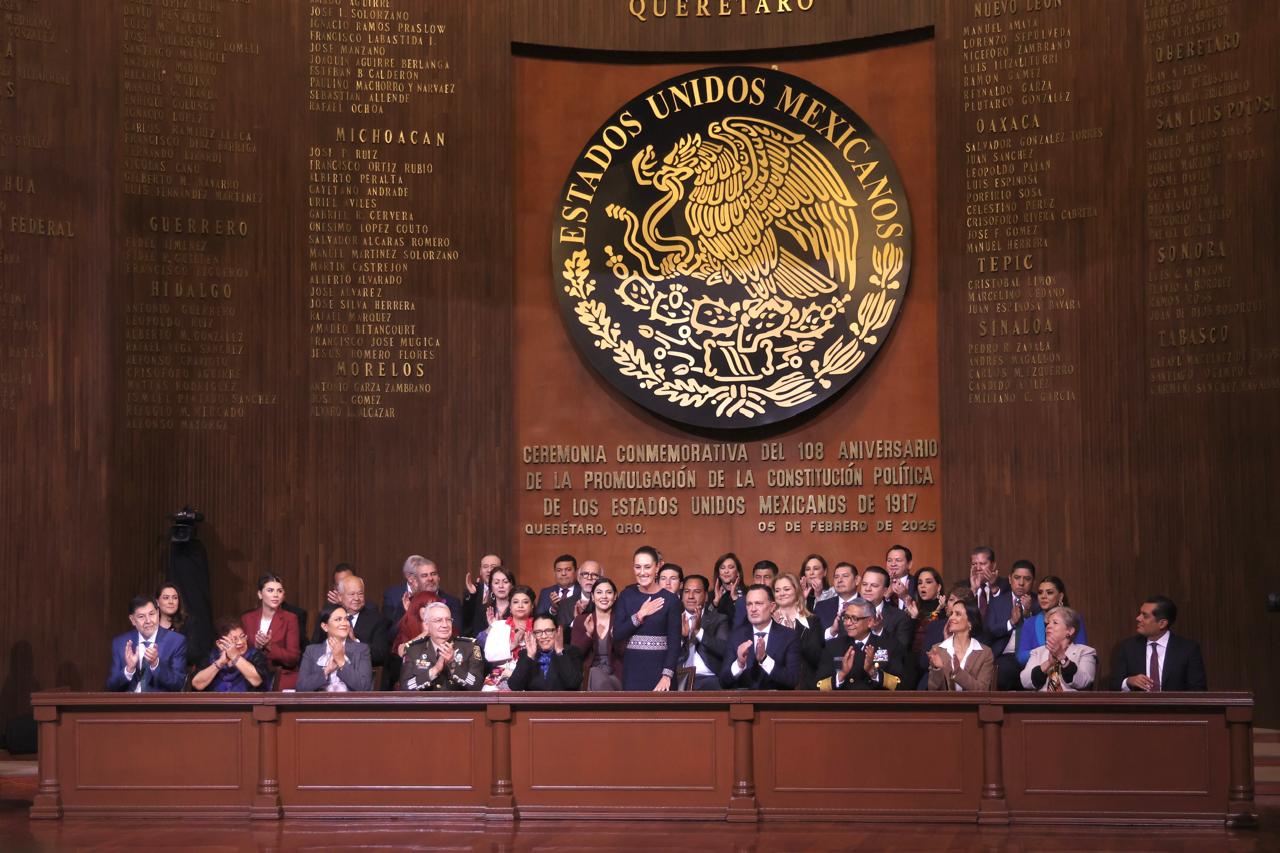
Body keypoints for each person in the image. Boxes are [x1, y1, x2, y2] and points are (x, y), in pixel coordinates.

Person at [614, 545, 682, 691]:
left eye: (647, 567)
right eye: (638, 567)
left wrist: (667, 676)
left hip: (661, 674)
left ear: (657, 568)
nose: (642, 572)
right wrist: (639, 615)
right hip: (632, 671)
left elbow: (674, 644)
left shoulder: (671, 600)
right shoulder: (626, 595)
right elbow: (617, 633)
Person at [1111, 596, 1207, 691]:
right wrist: (1128, 681)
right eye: (1139, 613)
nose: (1138, 618)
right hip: (1139, 701)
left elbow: (1198, 689)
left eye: (1145, 616)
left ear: (1162, 623)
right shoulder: (1128, 647)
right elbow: (1114, 685)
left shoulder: (1188, 649)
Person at [719, 585, 800, 690]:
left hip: (776, 698)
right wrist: (739, 663)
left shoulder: (789, 636)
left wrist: (764, 659)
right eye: (749, 604)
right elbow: (723, 682)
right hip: (744, 698)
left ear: (772, 607)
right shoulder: (736, 636)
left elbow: (792, 680)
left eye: (758, 603)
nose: (753, 609)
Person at [816, 598, 905, 690]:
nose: (848, 623)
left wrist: (873, 672)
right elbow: (819, 686)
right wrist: (841, 675)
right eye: (846, 617)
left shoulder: (889, 645)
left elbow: (901, 685)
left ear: (870, 621)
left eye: (854, 618)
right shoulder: (833, 646)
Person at [106, 596, 188, 692]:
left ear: (158, 613)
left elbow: (178, 684)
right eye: (141, 617)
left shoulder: (176, 641)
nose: (148, 621)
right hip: (129, 700)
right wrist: (128, 670)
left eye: (152, 614)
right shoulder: (120, 642)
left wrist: (155, 664)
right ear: (133, 620)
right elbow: (111, 686)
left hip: (159, 700)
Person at [398, 602, 484, 691]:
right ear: (427, 625)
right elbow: (405, 687)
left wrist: (452, 665)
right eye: (438, 620)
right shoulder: (413, 649)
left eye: (448, 620)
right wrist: (434, 670)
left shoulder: (469, 647)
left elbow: (477, 685)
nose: (445, 625)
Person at [311, 574, 390, 669]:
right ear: (340, 597)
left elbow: (380, 655)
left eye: (360, 594)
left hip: (359, 672)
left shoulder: (377, 620)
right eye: (351, 594)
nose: (356, 598)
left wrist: (355, 642)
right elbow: (314, 648)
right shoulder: (328, 616)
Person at [241, 573, 301, 690]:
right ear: (260, 594)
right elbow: (242, 652)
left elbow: (293, 657)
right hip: (252, 675)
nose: (275, 595)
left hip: (280, 676)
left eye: (279, 591)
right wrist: (256, 648)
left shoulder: (290, 619)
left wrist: (269, 647)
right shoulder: (247, 618)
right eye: (270, 590)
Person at [297, 605, 373, 692]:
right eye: (338, 619)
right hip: (320, 700)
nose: (344, 623)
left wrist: (341, 662)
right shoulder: (311, 651)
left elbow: (365, 687)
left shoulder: (362, 650)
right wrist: (326, 671)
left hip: (349, 700)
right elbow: (301, 688)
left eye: (346, 619)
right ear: (325, 626)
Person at [1015, 576, 1086, 667]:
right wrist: (1050, 651)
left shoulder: (1075, 619)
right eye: (1040, 592)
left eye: (1049, 592)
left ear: (1060, 596)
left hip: (1068, 670)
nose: (1043, 596)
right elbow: (1021, 657)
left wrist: (1059, 653)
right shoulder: (1030, 623)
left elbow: (1081, 651)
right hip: (1039, 672)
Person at [1021, 607, 1096, 691]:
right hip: (1043, 699)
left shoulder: (1085, 652)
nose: (1048, 626)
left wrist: (1062, 657)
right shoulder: (1037, 652)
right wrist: (1048, 663)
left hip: (1070, 699)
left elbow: (1084, 681)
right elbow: (1025, 681)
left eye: (1055, 622)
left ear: (1070, 631)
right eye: (1048, 623)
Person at [771, 572, 825, 690]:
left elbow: (817, 658)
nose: (781, 593)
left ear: (796, 591)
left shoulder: (812, 621)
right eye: (777, 590)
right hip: (775, 688)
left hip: (806, 688)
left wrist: (794, 636)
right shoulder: (768, 622)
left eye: (786, 589)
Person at [927, 599, 994, 692]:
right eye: (951, 614)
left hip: (974, 701)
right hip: (945, 702)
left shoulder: (985, 653)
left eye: (957, 614)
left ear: (970, 622)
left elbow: (983, 690)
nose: (951, 618)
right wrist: (937, 669)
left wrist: (959, 673)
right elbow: (932, 690)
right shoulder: (937, 650)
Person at [675, 574, 728, 690]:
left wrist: (699, 632)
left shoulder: (718, 619)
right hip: (679, 678)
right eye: (687, 591)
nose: (690, 596)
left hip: (709, 679)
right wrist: (683, 638)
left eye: (697, 592)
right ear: (681, 596)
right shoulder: (674, 620)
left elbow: (724, 649)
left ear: (706, 596)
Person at [571, 577, 624, 691]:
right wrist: (588, 635)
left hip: (615, 676)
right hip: (589, 676)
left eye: (608, 592)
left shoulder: (621, 621)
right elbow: (575, 655)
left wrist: (616, 637)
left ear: (615, 596)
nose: (604, 596)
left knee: (598, 678)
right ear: (593, 597)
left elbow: (626, 655)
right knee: (595, 673)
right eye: (599, 592)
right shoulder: (581, 620)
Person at [191, 617, 268, 692]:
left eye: (242, 637)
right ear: (220, 644)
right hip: (216, 700)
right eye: (234, 639)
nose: (240, 642)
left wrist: (235, 657)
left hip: (247, 700)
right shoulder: (211, 657)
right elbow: (197, 684)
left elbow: (257, 681)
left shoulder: (255, 655)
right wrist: (220, 662)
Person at [509, 615, 584, 691]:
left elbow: (574, 683)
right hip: (534, 698)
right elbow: (514, 686)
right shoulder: (526, 654)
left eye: (548, 631)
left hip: (562, 698)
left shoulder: (572, 652)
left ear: (557, 631)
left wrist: (559, 652)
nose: (544, 636)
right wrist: (530, 656)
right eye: (538, 632)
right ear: (533, 634)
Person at [995, 559, 1039, 689]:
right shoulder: (997, 602)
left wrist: (1028, 613)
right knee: (1004, 672)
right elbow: (990, 630)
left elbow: (1041, 634)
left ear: (1033, 582)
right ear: (1010, 579)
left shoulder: (1039, 603)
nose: (1021, 583)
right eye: (1017, 577)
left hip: (1033, 655)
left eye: (1027, 579)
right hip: (1006, 654)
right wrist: (1011, 622)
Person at [482, 585, 536, 690]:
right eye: (515, 602)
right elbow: (489, 655)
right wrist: (513, 644)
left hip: (527, 675)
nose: (520, 606)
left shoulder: (538, 626)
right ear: (510, 607)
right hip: (499, 676)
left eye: (525, 602)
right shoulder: (498, 626)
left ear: (532, 606)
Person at [860, 565, 915, 652]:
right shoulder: (847, 614)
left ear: (885, 591)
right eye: (864, 584)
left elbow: (901, 651)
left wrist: (879, 631)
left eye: (874, 585)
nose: (867, 589)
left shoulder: (900, 617)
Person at [815, 562, 861, 641]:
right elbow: (813, 638)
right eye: (836, 577)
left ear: (857, 580)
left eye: (845, 576)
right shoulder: (821, 607)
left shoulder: (867, 605)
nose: (839, 580)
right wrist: (831, 632)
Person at [462, 553, 502, 637]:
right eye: (485, 566)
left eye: (493, 567)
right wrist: (472, 595)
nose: (489, 570)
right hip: (476, 640)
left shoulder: (508, 591)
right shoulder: (474, 590)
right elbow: (466, 619)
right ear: (480, 571)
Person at [474, 567, 516, 637]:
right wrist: (491, 627)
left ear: (512, 585)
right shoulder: (483, 610)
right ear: (491, 586)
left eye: (505, 582)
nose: (501, 586)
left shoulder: (519, 608)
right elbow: (477, 640)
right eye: (496, 582)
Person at [536, 554, 580, 619]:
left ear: (576, 571)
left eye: (568, 570)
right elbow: (538, 619)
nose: (563, 573)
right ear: (555, 573)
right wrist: (553, 609)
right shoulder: (545, 593)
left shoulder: (584, 591)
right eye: (559, 570)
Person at [382, 555, 423, 625]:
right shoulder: (392, 595)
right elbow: (389, 625)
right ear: (409, 578)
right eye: (423, 575)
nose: (429, 579)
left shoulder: (436, 594)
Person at [710, 552, 745, 619]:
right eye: (722, 568)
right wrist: (716, 602)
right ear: (719, 573)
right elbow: (706, 619)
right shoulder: (711, 595)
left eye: (730, 567)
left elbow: (747, 618)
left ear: (738, 572)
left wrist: (735, 599)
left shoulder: (748, 593)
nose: (726, 571)